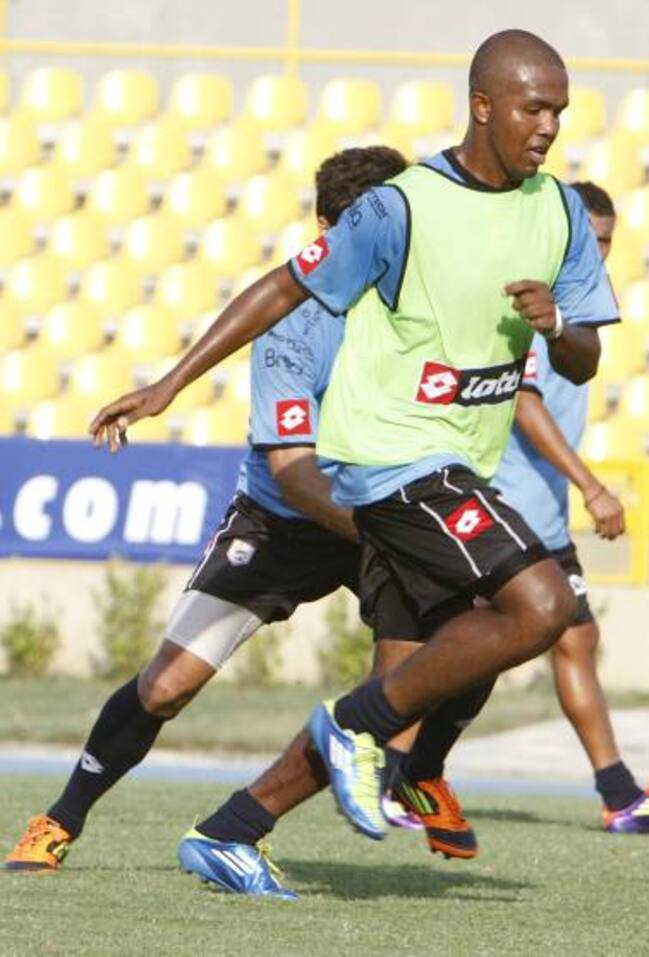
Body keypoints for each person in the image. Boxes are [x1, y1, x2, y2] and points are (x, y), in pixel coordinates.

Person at [88, 29, 618, 895]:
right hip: (391, 455)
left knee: (422, 681)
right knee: (543, 601)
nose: (548, 126)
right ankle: (352, 727)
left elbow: (586, 356)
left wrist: (558, 320)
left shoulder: (558, 211)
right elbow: (283, 286)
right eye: (533, 106)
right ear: (482, 104)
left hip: (458, 465)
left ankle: (235, 828)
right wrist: (169, 383)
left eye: (559, 109)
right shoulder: (400, 205)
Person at [4, 146, 415, 880]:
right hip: (285, 520)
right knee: (167, 687)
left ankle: (284, 814)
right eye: (360, 227)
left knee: (450, 648)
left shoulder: (418, 304)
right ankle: (59, 818)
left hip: (379, 514)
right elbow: (294, 477)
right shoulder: (293, 321)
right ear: (326, 229)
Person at [381, 181, 649, 837]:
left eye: (608, 240)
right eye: (590, 237)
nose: (599, 251)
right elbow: (523, 403)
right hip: (507, 502)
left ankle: (613, 793)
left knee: (564, 639)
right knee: (478, 652)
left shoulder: (577, 308)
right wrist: (591, 484)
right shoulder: (525, 300)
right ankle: (398, 772)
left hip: (541, 512)